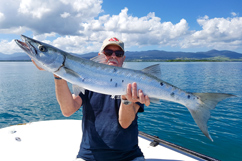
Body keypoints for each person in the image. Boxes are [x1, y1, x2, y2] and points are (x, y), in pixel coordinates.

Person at [32, 37, 150, 161]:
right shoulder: (86, 81)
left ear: (123, 58)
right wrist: (58, 73)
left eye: (118, 53)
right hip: (89, 155)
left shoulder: (133, 85)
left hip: (129, 156)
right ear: (100, 56)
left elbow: (124, 123)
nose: (113, 56)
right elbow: (68, 110)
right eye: (108, 52)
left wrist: (127, 100)